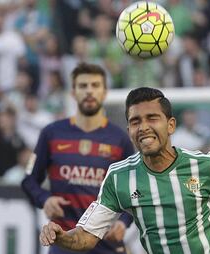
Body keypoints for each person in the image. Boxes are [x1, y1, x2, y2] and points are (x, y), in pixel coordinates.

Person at [39, 87, 210, 254]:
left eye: (151, 118)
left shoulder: (204, 167)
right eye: (135, 121)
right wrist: (61, 236)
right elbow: (86, 237)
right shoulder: (119, 177)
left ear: (171, 125)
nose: (143, 127)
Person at [22, 63, 135, 254]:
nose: (89, 91)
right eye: (83, 86)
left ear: (105, 92)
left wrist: (124, 223)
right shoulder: (52, 133)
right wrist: (45, 199)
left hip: (106, 242)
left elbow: (134, 190)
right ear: (73, 92)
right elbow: (29, 181)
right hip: (64, 241)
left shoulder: (120, 139)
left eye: (95, 85)